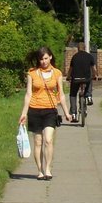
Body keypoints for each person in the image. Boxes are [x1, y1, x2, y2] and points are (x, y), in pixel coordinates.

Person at [19, 47, 72, 179]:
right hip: (34, 109)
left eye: (46, 58)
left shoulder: (57, 73)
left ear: (51, 57)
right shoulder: (32, 73)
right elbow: (28, 94)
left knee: (48, 140)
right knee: (38, 142)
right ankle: (40, 171)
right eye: (41, 59)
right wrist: (24, 113)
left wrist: (67, 112)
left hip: (50, 110)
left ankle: (48, 169)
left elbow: (61, 94)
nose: (43, 61)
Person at [67, 42, 98, 122]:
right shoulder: (89, 56)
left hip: (75, 79)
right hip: (86, 78)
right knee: (89, 81)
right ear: (85, 48)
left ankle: (74, 114)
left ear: (78, 48)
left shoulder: (74, 57)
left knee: (73, 94)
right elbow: (93, 68)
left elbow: (70, 69)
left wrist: (68, 77)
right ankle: (88, 96)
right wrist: (96, 75)